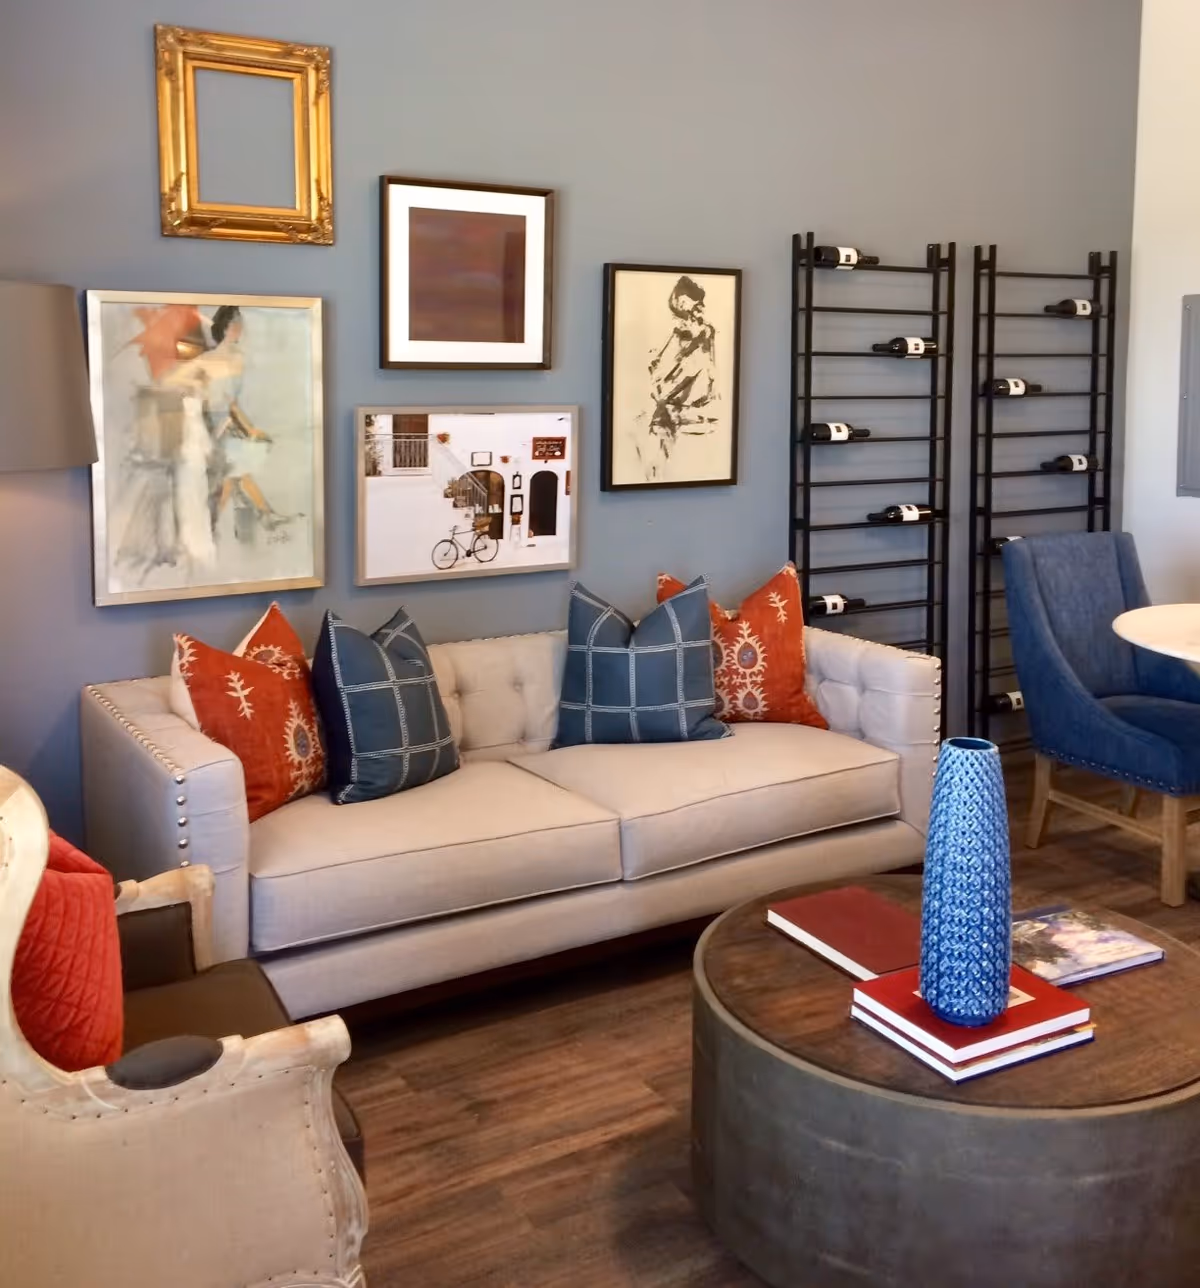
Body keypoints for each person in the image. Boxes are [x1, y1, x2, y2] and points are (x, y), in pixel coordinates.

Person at [642, 275, 719, 476]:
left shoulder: (704, 331)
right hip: (668, 411)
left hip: (693, 414)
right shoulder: (671, 331)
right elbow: (656, 366)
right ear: (682, 301)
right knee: (659, 470)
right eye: (695, 304)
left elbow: (709, 368)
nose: (698, 309)